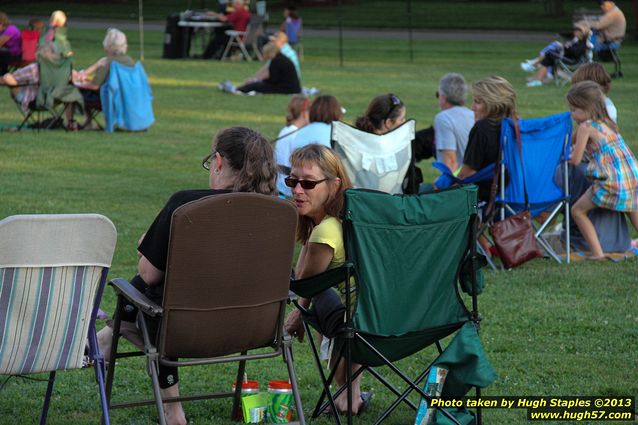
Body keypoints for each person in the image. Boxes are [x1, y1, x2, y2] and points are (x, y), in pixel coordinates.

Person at [97, 126, 278, 425]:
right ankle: (106, 338)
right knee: (164, 284)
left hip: (186, 331)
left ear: (218, 161)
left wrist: (147, 246)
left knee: (148, 286)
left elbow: (149, 274)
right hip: (254, 328)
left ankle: (173, 410)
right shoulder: (278, 211)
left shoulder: (187, 204)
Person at [283, 144, 373, 416]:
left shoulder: (326, 232)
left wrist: (296, 317)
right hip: (386, 321)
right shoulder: (351, 218)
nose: (297, 190)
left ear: (334, 186)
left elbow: (306, 282)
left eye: (308, 184)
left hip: (356, 330)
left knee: (321, 295)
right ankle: (352, 396)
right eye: (292, 181)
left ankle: (347, 397)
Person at [566, 81, 638, 260]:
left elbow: (575, 161)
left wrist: (564, 156)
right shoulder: (608, 122)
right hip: (631, 174)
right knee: (633, 206)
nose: (571, 114)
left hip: (611, 179)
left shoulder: (586, 127)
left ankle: (598, 254)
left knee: (577, 211)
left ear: (588, 107)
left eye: (574, 109)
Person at [456, 75, 517, 204]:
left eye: (478, 102)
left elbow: (466, 175)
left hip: (482, 198)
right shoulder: (516, 126)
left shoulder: (482, 129)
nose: (472, 107)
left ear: (493, 104)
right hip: (514, 197)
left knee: (427, 191)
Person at [72, 28, 135, 129]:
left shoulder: (107, 63)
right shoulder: (130, 62)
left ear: (108, 46)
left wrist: (80, 84)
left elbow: (94, 86)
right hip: (126, 98)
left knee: (76, 91)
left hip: (108, 99)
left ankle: (83, 122)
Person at [521, 21, 591, 87]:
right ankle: (538, 78)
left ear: (582, 32)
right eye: (575, 30)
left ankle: (535, 71)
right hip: (569, 58)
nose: (574, 32)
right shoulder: (578, 40)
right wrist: (566, 47)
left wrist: (567, 47)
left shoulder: (584, 42)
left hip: (573, 62)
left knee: (550, 53)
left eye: (576, 30)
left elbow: (576, 54)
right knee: (549, 55)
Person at [433, 73, 474, 172]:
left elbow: (451, 163)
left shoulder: (443, 118)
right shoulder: (473, 115)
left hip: (459, 183)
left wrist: (444, 184)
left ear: (443, 97)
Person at [275, 94, 311, 196]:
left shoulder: (286, 130)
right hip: (288, 186)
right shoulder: (297, 135)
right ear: (304, 113)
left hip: (278, 182)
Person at [234, 42, 301, 94]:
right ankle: (240, 89)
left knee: (256, 86)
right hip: (293, 88)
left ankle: (238, 89)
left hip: (286, 89)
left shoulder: (276, 61)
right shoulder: (282, 58)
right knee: (257, 84)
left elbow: (273, 80)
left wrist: (259, 81)